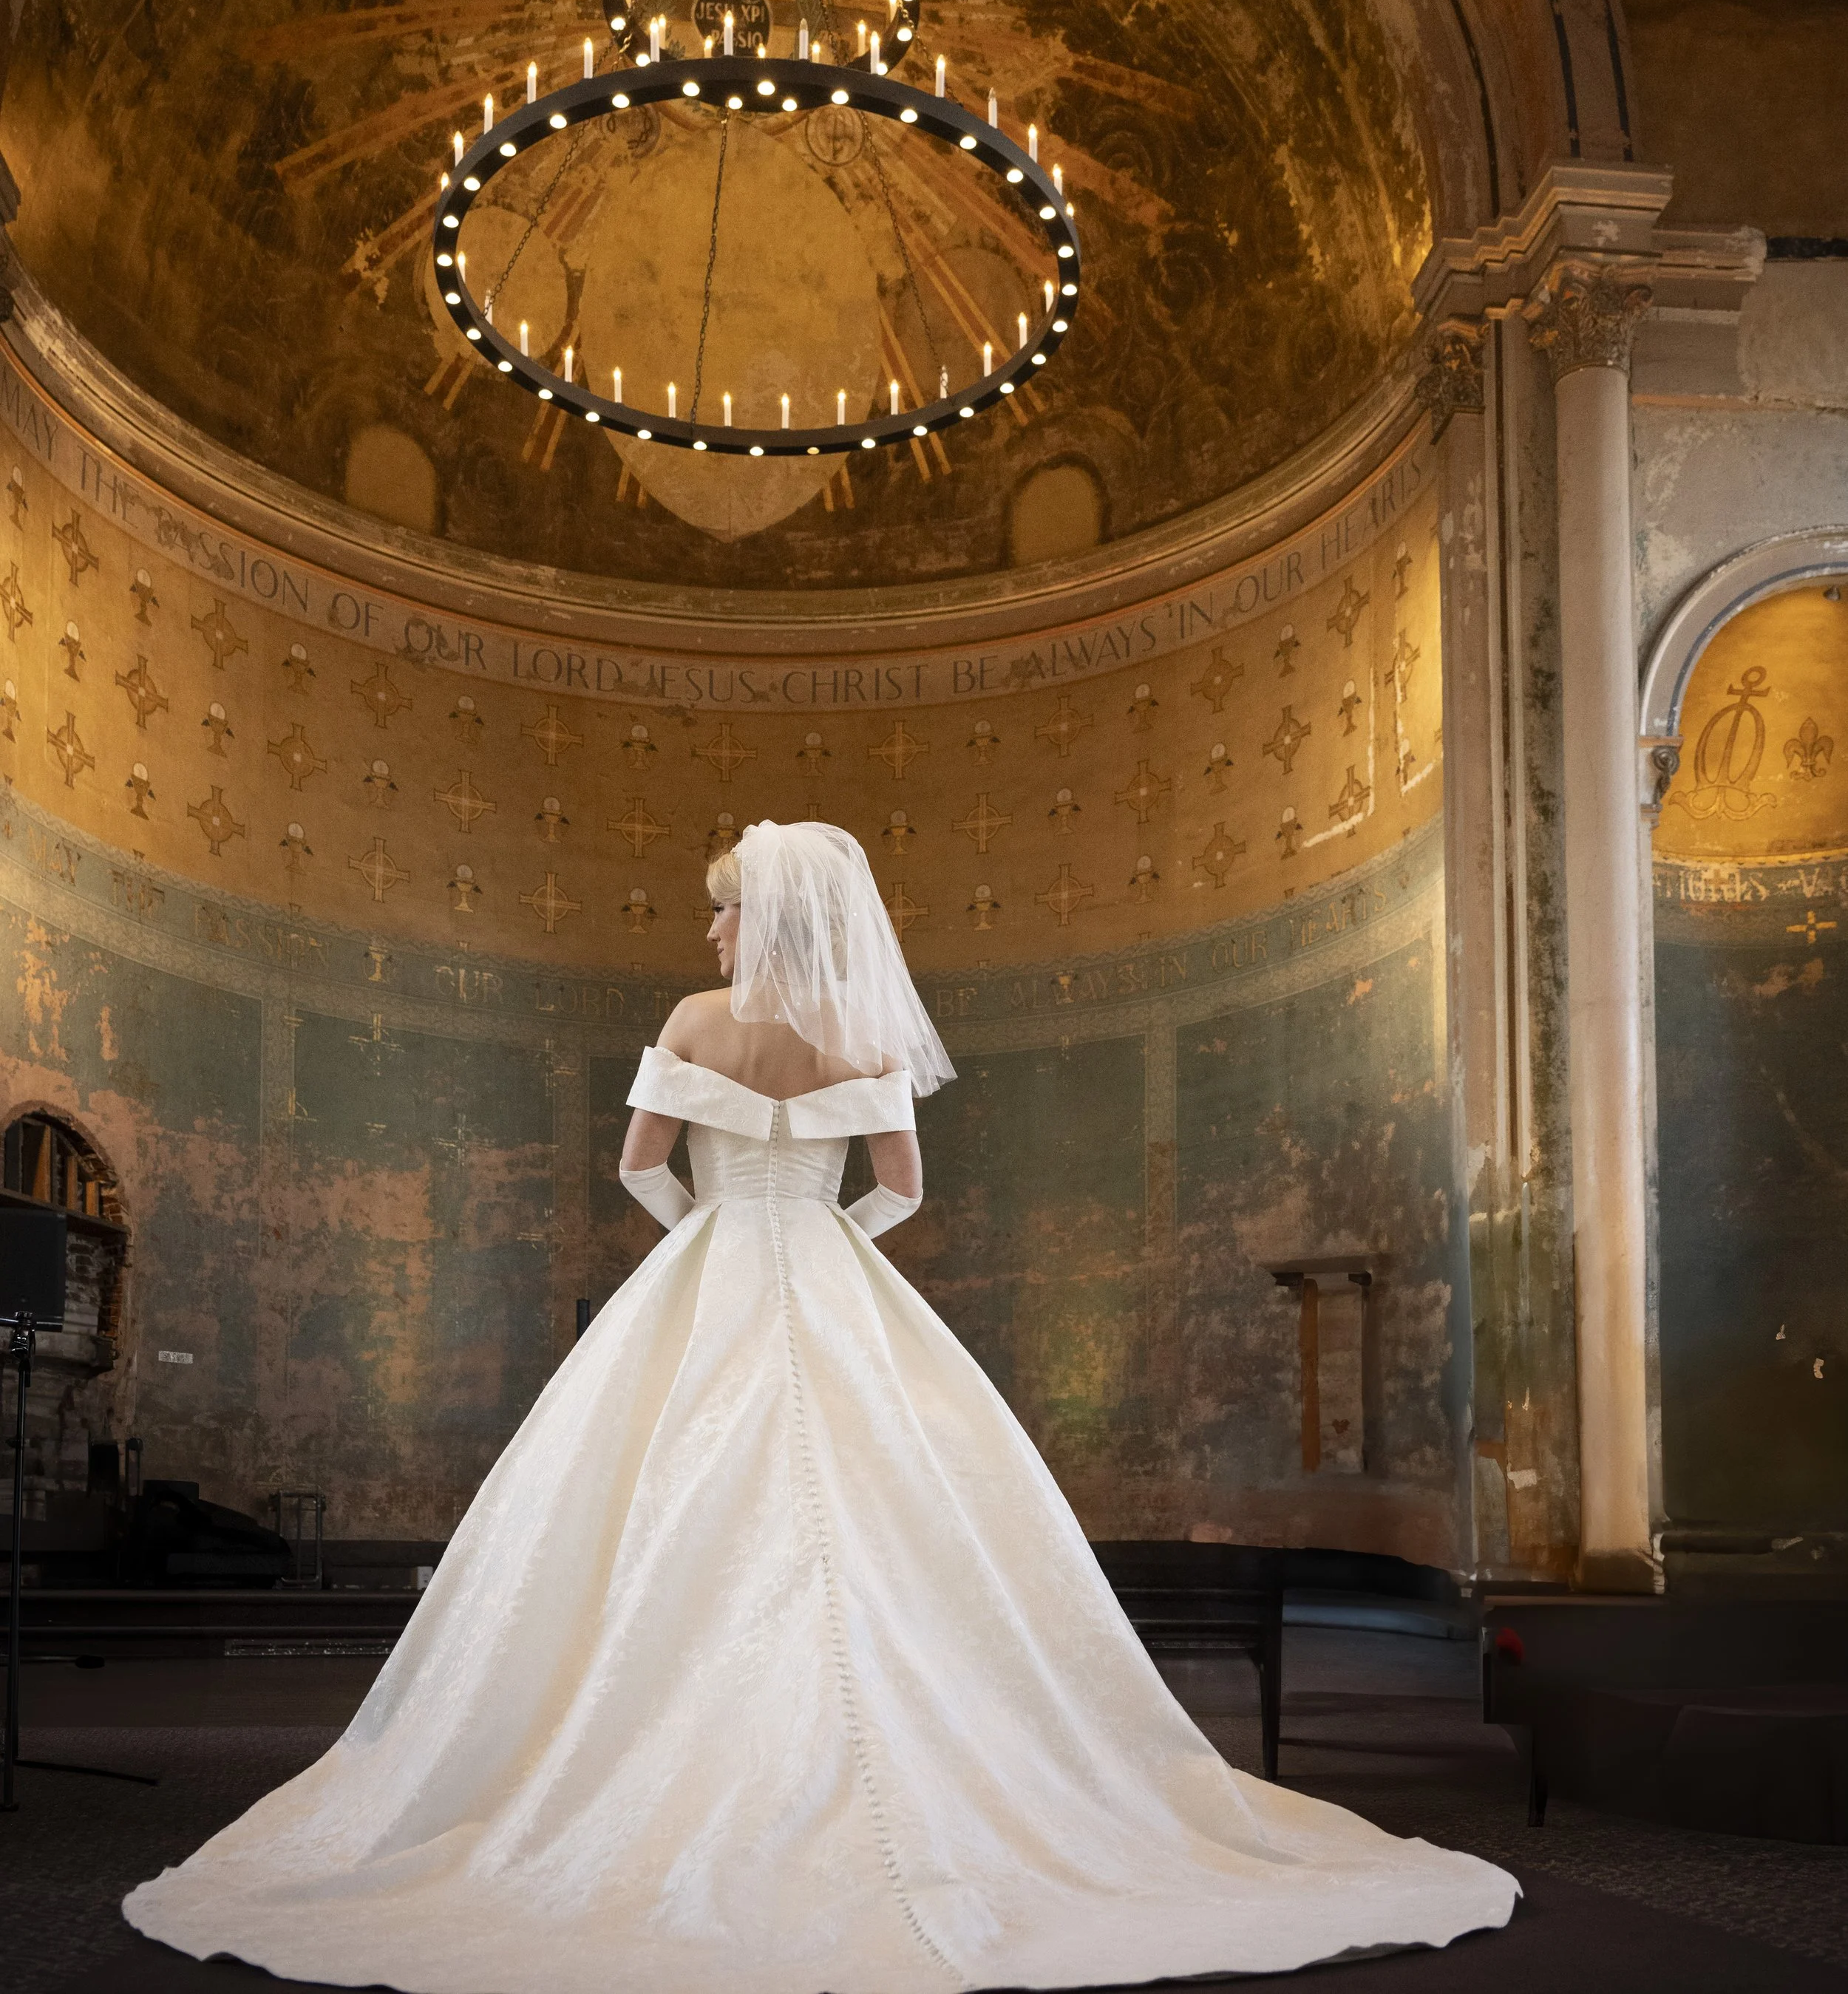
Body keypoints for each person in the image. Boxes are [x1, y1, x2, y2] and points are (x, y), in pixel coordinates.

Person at [125, 820, 1515, 1990]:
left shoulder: (693, 1021)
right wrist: (829, 1237)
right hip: (828, 1266)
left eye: (724, 911)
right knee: (901, 1514)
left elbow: (637, 1167)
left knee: (648, 1513)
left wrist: (705, 1231)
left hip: (719, 1258)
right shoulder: (862, 1032)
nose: (712, 931)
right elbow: (903, 1189)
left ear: (764, 916)